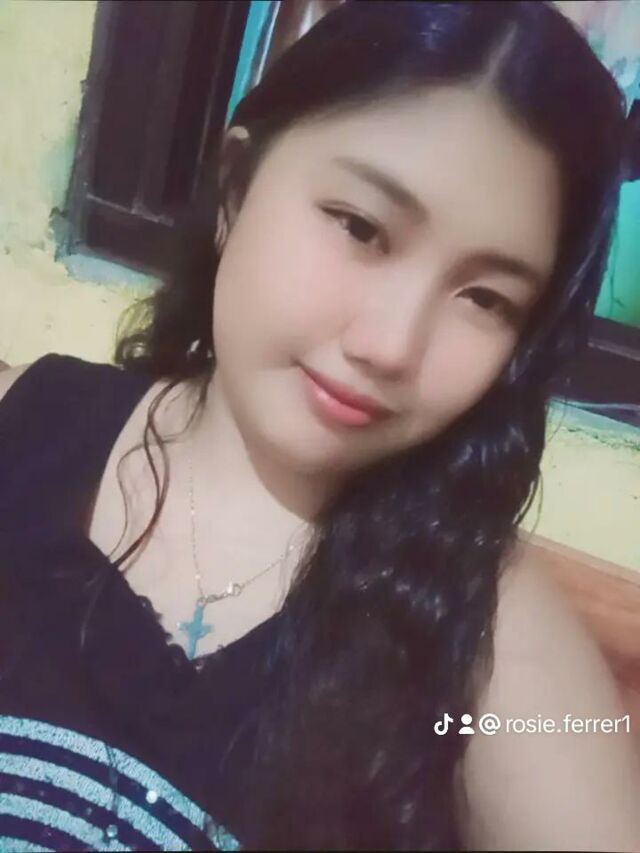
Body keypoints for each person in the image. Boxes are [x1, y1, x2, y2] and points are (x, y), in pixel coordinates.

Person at [0, 1, 639, 849]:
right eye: (362, 228)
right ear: (236, 187)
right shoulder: (25, 430)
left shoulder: (485, 630)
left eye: (485, 298)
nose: (390, 346)